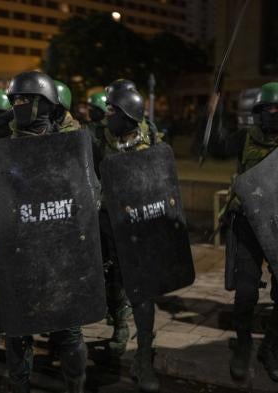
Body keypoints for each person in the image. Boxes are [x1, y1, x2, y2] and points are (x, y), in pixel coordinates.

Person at [0, 71, 88, 393]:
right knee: (17, 329)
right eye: (14, 99)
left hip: (59, 252)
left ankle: (76, 386)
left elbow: (87, 199)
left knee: (68, 330)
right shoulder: (5, 148)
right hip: (18, 251)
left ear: (45, 104)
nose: (17, 104)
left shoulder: (70, 145)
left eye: (24, 99)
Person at [223, 82, 278, 383]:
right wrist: (214, 113)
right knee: (246, 291)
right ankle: (243, 344)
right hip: (247, 224)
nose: (274, 113)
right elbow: (214, 148)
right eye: (269, 108)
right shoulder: (244, 138)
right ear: (259, 111)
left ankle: (269, 348)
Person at [94, 87, 162, 391]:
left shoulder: (151, 139)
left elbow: (163, 178)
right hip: (108, 219)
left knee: (143, 290)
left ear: (128, 115)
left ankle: (145, 355)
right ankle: (119, 329)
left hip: (140, 223)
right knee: (114, 280)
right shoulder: (98, 139)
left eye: (112, 111)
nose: (107, 114)